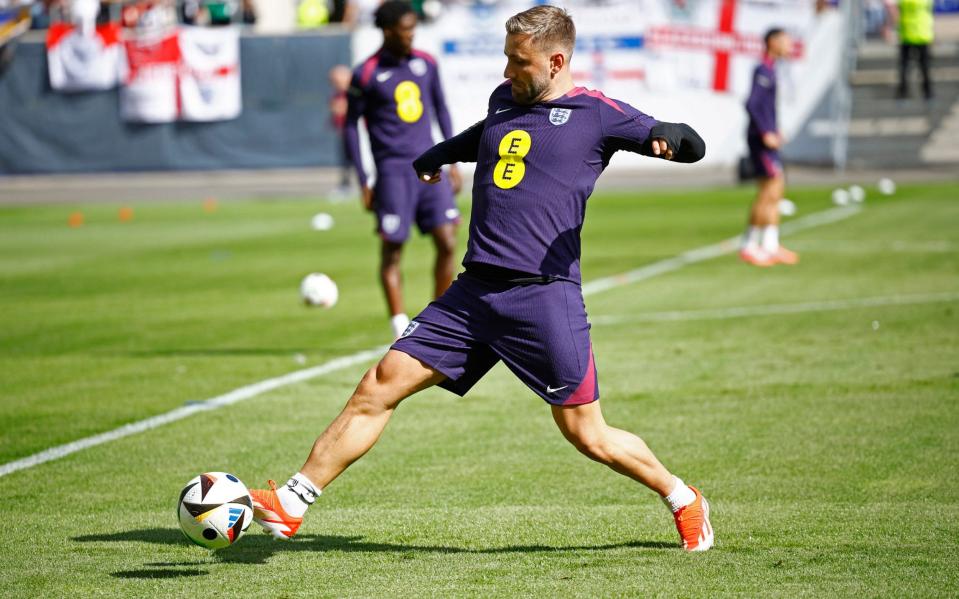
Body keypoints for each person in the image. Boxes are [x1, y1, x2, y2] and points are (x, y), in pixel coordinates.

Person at [250, 5, 714, 552]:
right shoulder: (504, 101)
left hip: (543, 299)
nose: (505, 71)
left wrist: (671, 137)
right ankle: (292, 503)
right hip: (472, 294)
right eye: (505, 58)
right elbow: (488, 134)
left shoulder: (596, 114)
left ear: (556, 60)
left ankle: (682, 497)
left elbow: (686, 141)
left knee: (586, 434)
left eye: (518, 62)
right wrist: (440, 154)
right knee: (379, 385)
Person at [343, 0, 462, 339]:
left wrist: (452, 160)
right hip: (393, 172)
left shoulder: (427, 64)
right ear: (387, 30)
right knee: (393, 248)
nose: (411, 35)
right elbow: (351, 127)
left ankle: (438, 321)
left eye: (414, 28)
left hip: (430, 166)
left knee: (448, 241)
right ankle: (399, 324)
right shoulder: (366, 73)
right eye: (405, 29)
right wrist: (364, 179)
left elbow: (442, 111)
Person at [739, 28, 798, 267]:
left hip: (767, 137)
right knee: (768, 190)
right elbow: (752, 104)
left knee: (776, 190)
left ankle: (770, 245)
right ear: (772, 42)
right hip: (760, 140)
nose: (789, 46)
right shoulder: (762, 70)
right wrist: (766, 132)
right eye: (785, 41)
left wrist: (775, 128)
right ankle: (749, 244)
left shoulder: (771, 69)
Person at [886, 0, 934, 100]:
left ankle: (903, 93)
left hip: (906, 34)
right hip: (923, 34)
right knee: (924, 66)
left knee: (904, 67)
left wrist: (891, 27)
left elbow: (893, 10)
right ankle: (928, 92)